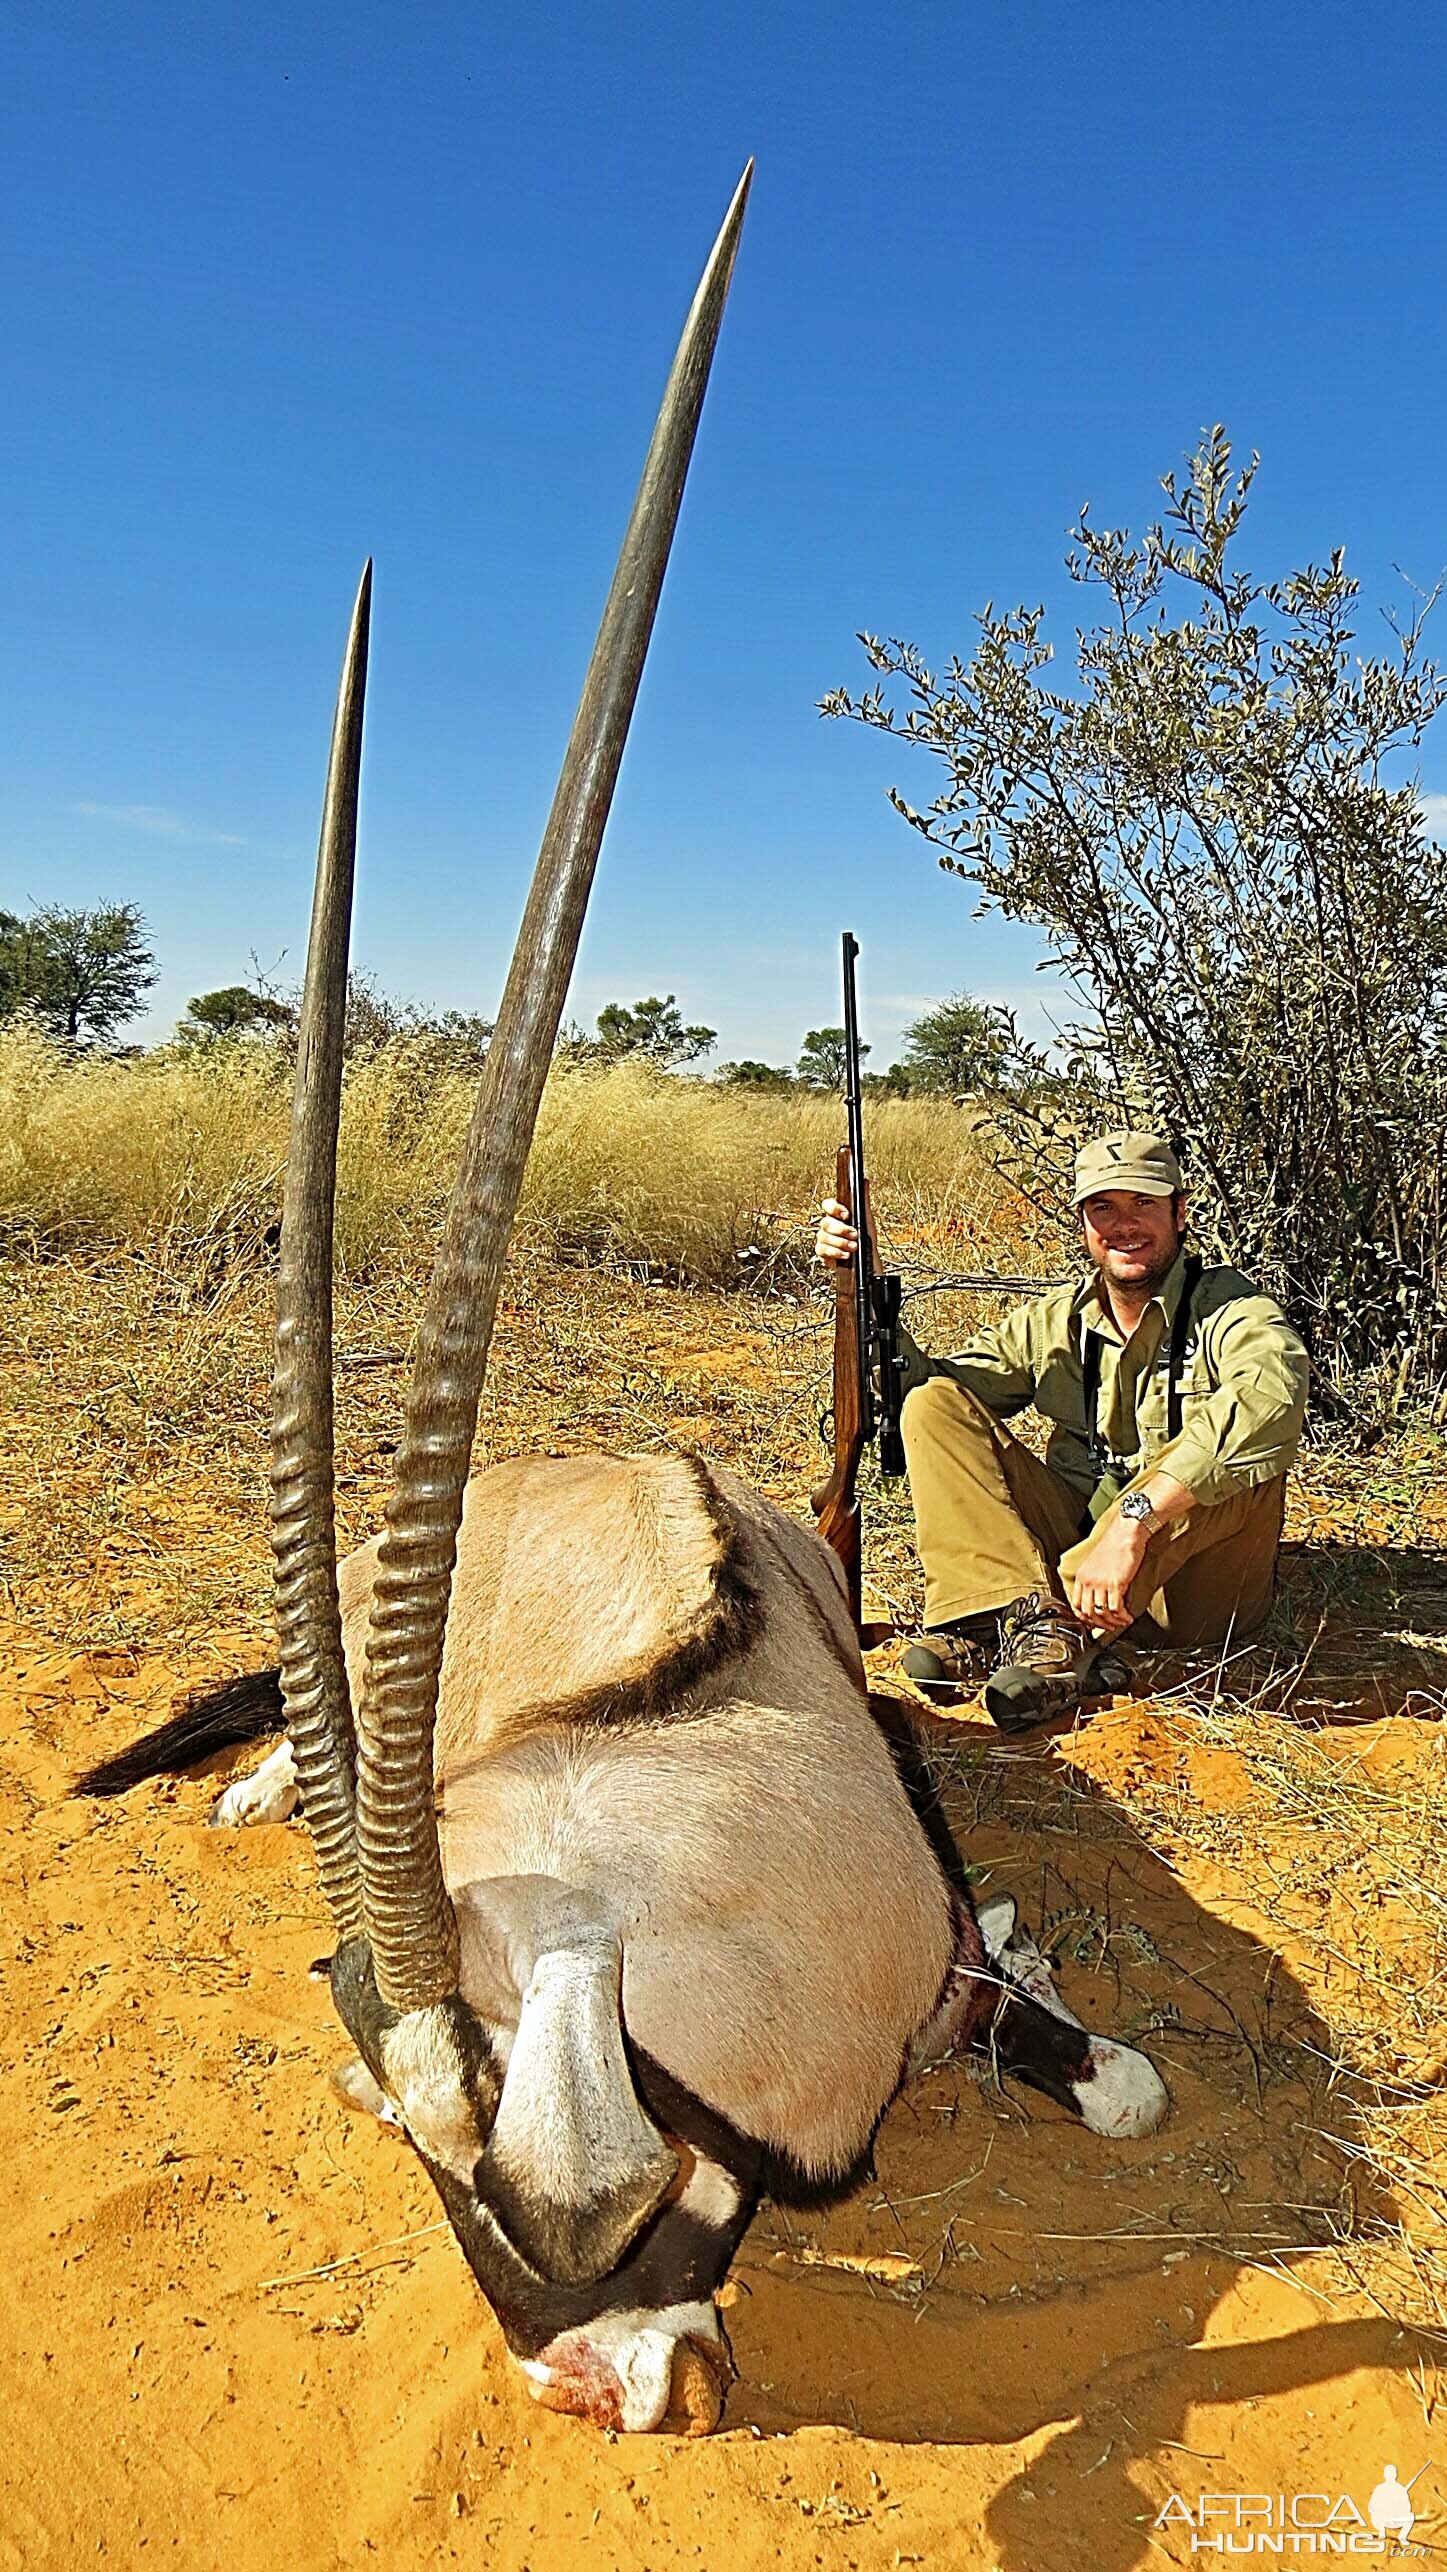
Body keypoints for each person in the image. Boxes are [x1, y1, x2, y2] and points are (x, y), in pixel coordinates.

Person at [815, 1130, 1309, 1731]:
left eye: (1144, 1205)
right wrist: (863, 1286)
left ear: (1181, 1213)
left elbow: (1272, 1404)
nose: (1124, 1226)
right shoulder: (1057, 1318)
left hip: (1188, 1594)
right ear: (1082, 1223)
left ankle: (1052, 1636)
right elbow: (930, 1388)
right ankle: (1010, 1616)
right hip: (1083, 1556)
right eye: (1104, 1207)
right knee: (933, 1405)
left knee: (1231, 1461)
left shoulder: (1233, 1311)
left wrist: (1136, 1521)